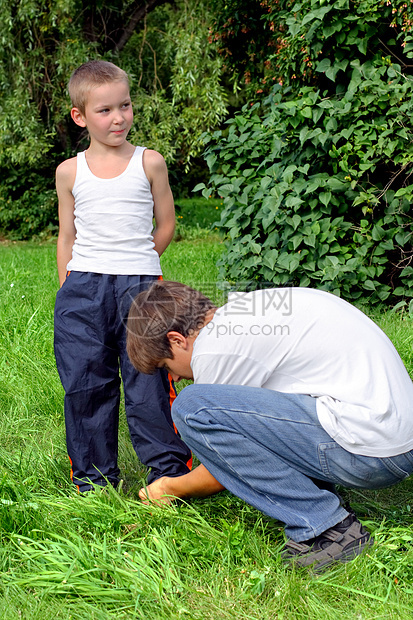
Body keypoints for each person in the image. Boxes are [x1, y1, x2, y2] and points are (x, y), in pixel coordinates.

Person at [126, 280, 413, 571]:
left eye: (166, 367)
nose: (173, 379)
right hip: (393, 438)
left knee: (192, 407)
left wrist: (171, 487)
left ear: (177, 340)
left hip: (373, 452)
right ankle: (319, 497)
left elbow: (224, 464)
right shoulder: (246, 316)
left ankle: (328, 528)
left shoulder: (213, 348)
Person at [54, 61, 192, 493]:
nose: (118, 117)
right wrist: (68, 285)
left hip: (141, 286)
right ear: (80, 116)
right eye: (105, 110)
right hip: (84, 288)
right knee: (85, 381)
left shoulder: (149, 162)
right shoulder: (69, 171)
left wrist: (142, 261)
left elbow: (166, 223)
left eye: (125, 106)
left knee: (148, 377)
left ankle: (167, 471)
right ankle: (93, 478)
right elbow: (66, 236)